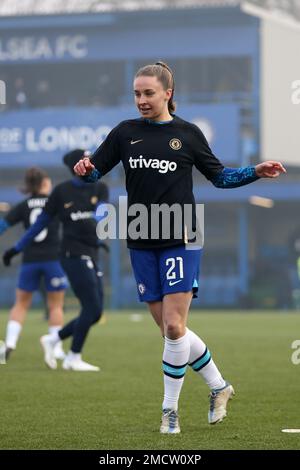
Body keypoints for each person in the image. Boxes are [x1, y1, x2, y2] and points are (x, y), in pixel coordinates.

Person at [73, 61, 286, 433]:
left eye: (149, 93)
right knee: (173, 332)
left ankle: (169, 412)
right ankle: (220, 386)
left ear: (168, 93)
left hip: (183, 234)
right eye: (137, 93)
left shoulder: (187, 134)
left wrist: (255, 171)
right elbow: (96, 170)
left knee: (174, 327)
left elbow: (220, 178)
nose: (141, 99)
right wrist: (85, 168)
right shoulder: (124, 133)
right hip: (140, 234)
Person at [3, 151, 109, 371]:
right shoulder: (61, 192)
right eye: (85, 160)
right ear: (75, 166)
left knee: (96, 312)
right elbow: (39, 224)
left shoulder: (99, 187)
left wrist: (97, 231)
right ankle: (71, 356)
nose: (90, 164)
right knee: (85, 307)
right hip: (69, 255)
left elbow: (102, 213)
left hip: (88, 253)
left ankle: (52, 340)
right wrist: (16, 248)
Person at [0, 167, 66, 362]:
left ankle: (10, 343)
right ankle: (56, 349)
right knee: (55, 306)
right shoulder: (55, 204)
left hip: (29, 261)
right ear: (44, 183)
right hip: (53, 259)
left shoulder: (23, 206)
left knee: (20, 304)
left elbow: (3, 226)